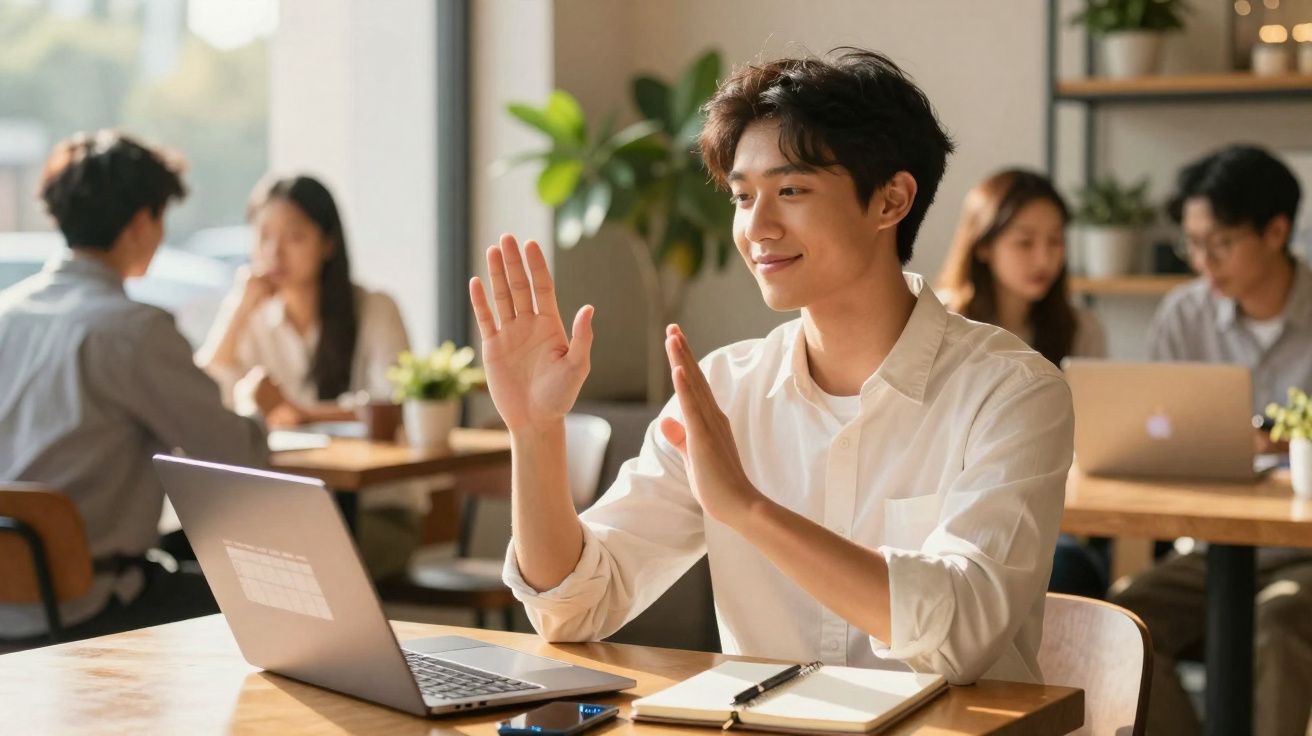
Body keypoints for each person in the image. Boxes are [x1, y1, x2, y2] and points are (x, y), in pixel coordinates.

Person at [473, 50, 1074, 684]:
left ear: (890, 200)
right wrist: (535, 431)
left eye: (790, 191)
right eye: (742, 196)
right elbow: (573, 609)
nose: (756, 227)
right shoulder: (724, 388)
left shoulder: (1011, 391)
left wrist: (748, 509)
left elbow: (962, 634)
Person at [0, 130, 269, 645]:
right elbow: (236, 458)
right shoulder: (134, 331)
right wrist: (254, 410)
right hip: (88, 605)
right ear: (143, 222)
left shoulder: (6, 315)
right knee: (264, 598)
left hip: (7, 608)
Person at [1110, 145, 1312, 736]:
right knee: (1123, 620)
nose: (1203, 261)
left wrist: (1277, 443)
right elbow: (1155, 433)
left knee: (1280, 624)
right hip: (1210, 549)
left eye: (1220, 243)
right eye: (1193, 244)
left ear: (1277, 231)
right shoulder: (1184, 315)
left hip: (1304, 552)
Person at [196, 174, 424, 579]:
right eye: (263, 236)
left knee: (289, 570)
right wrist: (238, 308)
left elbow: (391, 409)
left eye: (294, 237)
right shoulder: (255, 319)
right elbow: (200, 396)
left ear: (328, 243)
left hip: (377, 512)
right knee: (224, 558)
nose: (274, 252)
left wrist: (297, 412)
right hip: (288, 511)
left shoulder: (374, 309)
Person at [937, 168, 1108, 599]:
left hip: (1051, 510)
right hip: (957, 509)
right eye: (1025, 242)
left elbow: (1094, 440)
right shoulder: (939, 324)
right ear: (984, 245)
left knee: (1079, 567)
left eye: (1055, 241)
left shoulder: (1080, 329)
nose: (1044, 259)